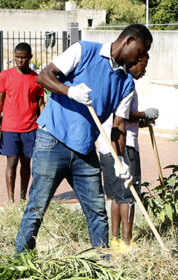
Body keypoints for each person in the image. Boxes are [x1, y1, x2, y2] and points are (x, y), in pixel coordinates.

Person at [15, 24, 153, 253]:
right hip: (52, 140)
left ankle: (102, 264)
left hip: (85, 151)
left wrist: (121, 162)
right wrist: (69, 91)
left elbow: (118, 125)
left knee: (97, 211)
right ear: (129, 41)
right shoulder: (84, 51)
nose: (140, 58)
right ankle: (19, 263)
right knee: (37, 208)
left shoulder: (126, 83)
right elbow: (43, 76)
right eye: (140, 51)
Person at [97, 53, 158, 250]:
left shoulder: (112, 80)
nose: (144, 69)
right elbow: (122, 116)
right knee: (129, 196)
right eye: (143, 64)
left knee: (116, 196)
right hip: (125, 147)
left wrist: (141, 122)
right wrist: (143, 114)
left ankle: (114, 239)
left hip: (106, 146)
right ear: (135, 61)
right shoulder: (127, 83)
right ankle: (126, 242)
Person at [0, 43, 45, 202]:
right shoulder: (5, 76)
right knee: (11, 164)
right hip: (10, 128)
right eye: (17, 57)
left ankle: (22, 197)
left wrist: (43, 124)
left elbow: (41, 104)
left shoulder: (36, 79)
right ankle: (11, 200)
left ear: (30, 57)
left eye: (23, 58)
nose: (19, 61)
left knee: (26, 164)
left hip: (30, 128)